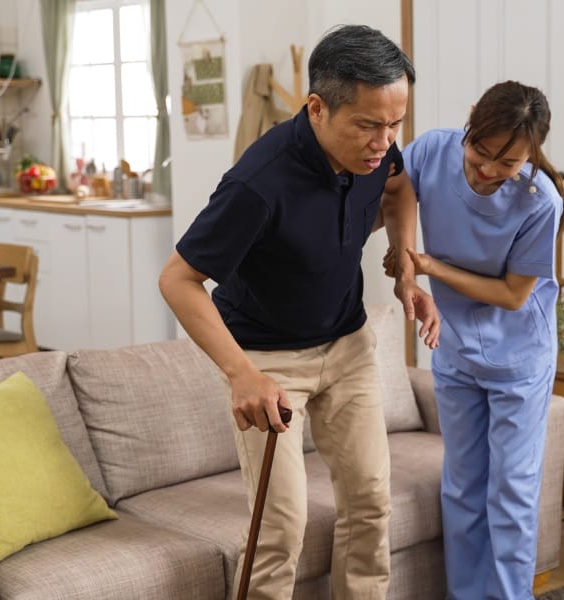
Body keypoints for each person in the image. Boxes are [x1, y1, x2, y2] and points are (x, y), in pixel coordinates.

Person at [158, 24, 438, 600]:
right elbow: (178, 280)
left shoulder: (376, 153)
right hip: (268, 363)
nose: (384, 140)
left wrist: (403, 259)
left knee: (370, 503)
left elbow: (399, 186)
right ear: (317, 107)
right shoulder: (258, 184)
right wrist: (241, 373)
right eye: (368, 124)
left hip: (349, 348)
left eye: (396, 123)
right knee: (279, 527)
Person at [382, 80, 564, 599]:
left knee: (510, 492)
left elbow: (512, 294)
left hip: (519, 358)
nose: (486, 171)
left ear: (531, 155)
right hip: (455, 349)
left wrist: (429, 265)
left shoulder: (540, 201)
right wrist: (403, 260)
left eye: (506, 164)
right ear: (469, 122)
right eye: (480, 151)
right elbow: (391, 200)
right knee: (462, 488)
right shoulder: (430, 151)